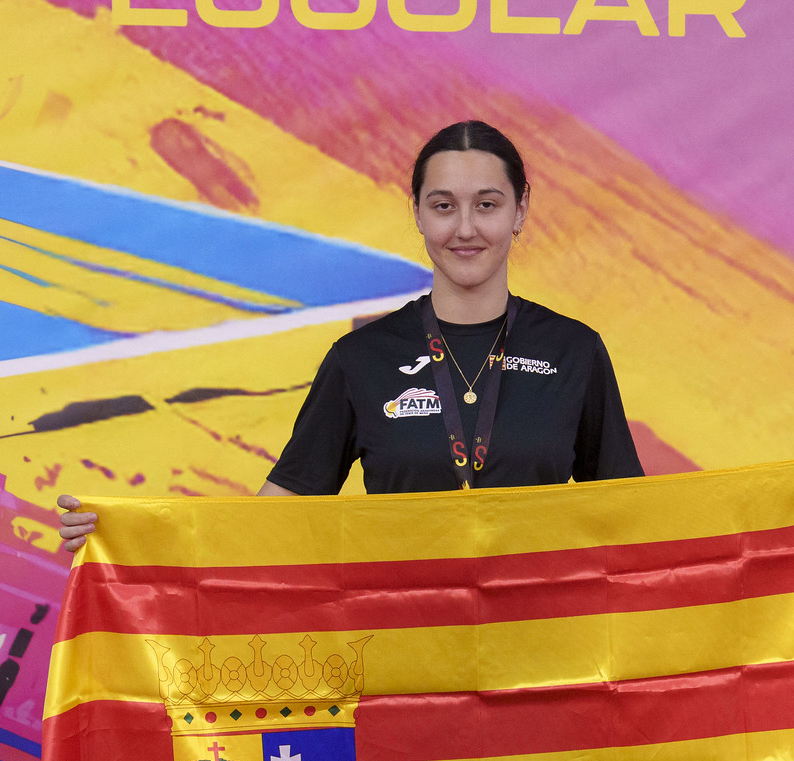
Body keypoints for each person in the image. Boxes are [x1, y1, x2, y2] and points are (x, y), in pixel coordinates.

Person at [59, 120, 641, 542]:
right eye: (443, 206)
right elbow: (273, 518)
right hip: (399, 654)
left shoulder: (573, 351)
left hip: (545, 654)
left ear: (521, 210)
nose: (465, 229)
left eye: (487, 205)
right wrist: (129, 534)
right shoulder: (361, 358)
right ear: (417, 212)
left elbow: (633, 517)